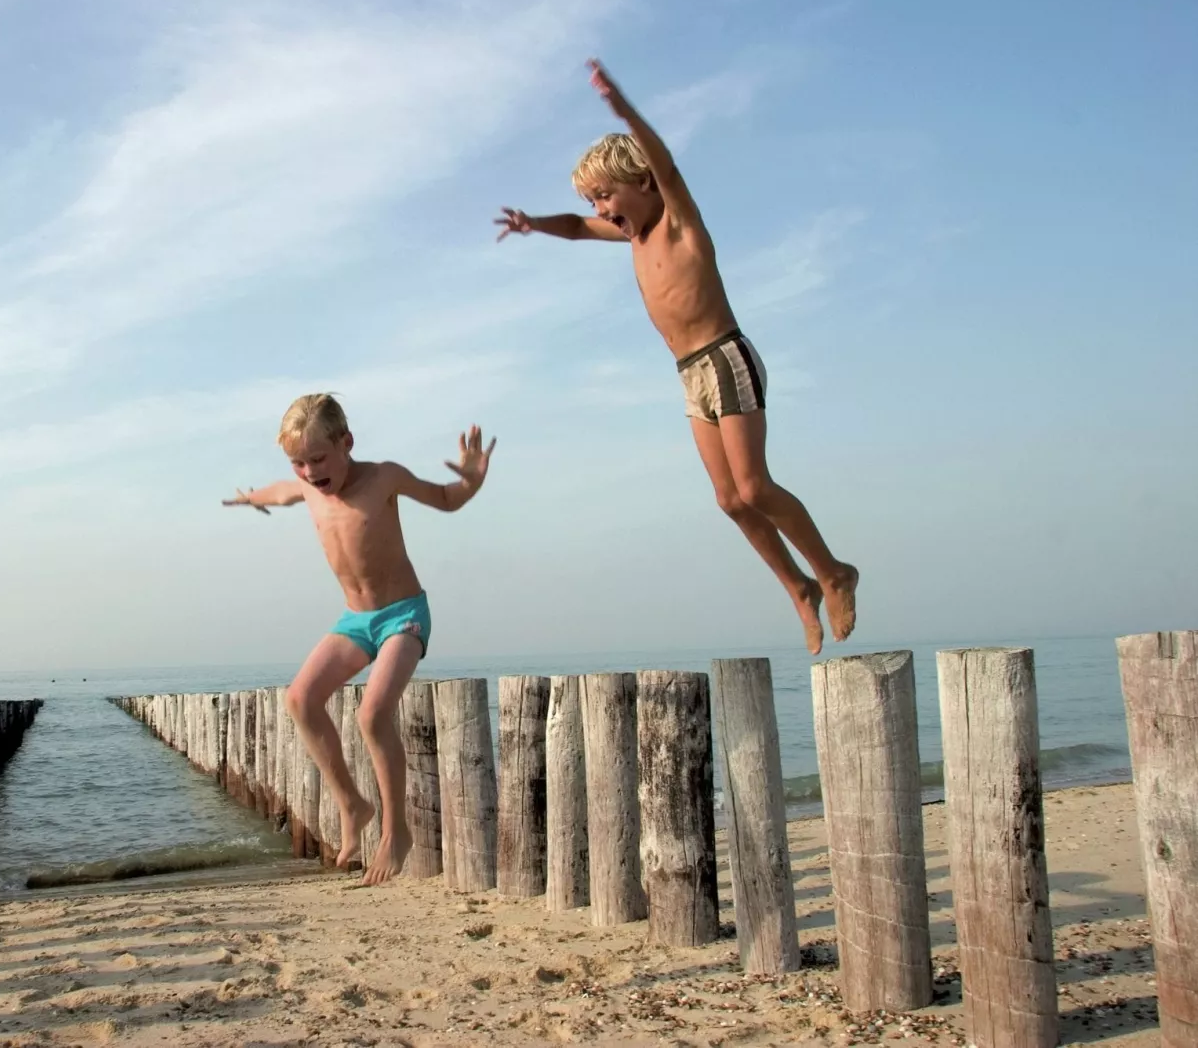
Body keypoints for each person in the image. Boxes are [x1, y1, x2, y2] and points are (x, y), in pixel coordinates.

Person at [495, 59, 858, 654]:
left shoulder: (679, 222)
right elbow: (580, 229)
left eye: (605, 194)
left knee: (755, 486)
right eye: (593, 199)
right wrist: (535, 223)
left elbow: (663, 160)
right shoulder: (628, 236)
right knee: (729, 500)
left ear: (642, 184)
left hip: (725, 358)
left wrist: (625, 113)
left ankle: (832, 571)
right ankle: (797, 587)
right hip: (690, 375)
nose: (601, 208)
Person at [223, 394, 495, 884]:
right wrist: (251, 498)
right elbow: (282, 491)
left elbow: (446, 499)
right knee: (301, 699)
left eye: (319, 459)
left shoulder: (384, 477)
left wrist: (471, 481)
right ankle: (353, 804)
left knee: (372, 713)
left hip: (404, 617)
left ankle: (396, 830)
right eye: (298, 462)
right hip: (355, 621)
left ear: (347, 442)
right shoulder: (307, 487)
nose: (309, 471)